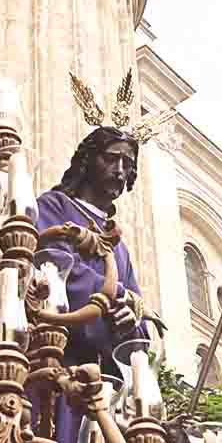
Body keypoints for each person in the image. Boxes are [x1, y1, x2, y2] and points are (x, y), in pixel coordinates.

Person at [35, 126, 148, 377]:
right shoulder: (55, 206)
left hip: (102, 380)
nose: (120, 170)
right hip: (55, 357)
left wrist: (129, 322)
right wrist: (120, 296)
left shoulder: (121, 250)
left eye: (127, 164)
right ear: (87, 160)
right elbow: (55, 266)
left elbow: (139, 321)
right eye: (110, 158)